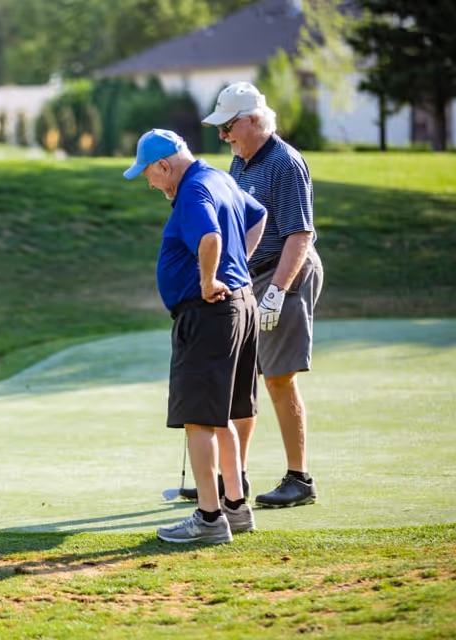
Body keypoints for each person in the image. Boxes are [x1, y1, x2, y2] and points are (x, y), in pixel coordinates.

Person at [124, 129, 267, 544]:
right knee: (220, 414)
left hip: (209, 313)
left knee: (199, 420)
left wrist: (209, 280)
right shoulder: (220, 177)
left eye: (149, 175)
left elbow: (210, 238)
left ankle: (209, 517)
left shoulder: (191, 192)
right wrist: (238, 269)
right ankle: (236, 508)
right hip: (240, 305)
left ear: (164, 165)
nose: (150, 184)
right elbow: (257, 217)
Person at [195, 81, 324, 508]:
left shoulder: (285, 163)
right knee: (243, 379)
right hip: (252, 277)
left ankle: (299, 478)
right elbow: (244, 225)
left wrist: (277, 293)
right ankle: (235, 478)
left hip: (286, 274)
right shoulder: (242, 163)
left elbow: (299, 233)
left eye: (228, 126)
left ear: (253, 121)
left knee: (279, 378)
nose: (223, 136)